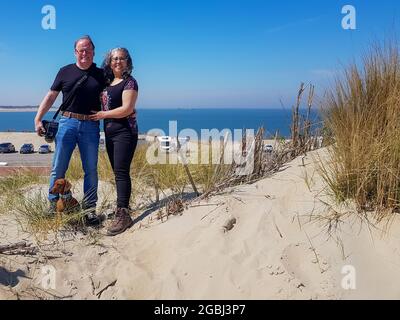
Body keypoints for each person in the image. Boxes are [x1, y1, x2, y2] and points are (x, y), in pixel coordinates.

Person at [34, 35, 105, 226]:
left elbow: (111, 96)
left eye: (88, 50)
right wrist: (38, 117)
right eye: (81, 50)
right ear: (75, 52)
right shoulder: (64, 71)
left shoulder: (101, 74)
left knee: (90, 169)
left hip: (90, 125)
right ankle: (53, 205)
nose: (84, 53)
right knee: (59, 167)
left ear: (93, 52)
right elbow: (51, 96)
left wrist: (128, 111)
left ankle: (89, 209)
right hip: (67, 123)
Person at [89, 47, 139, 236]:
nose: (117, 61)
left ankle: (123, 214)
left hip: (125, 133)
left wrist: (103, 114)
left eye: (121, 58)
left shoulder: (130, 82)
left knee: (121, 172)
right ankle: (121, 207)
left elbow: (127, 109)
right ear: (110, 63)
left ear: (127, 61)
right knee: (117, 172)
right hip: (110, 133)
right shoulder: (109, 82)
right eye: (114, 59)